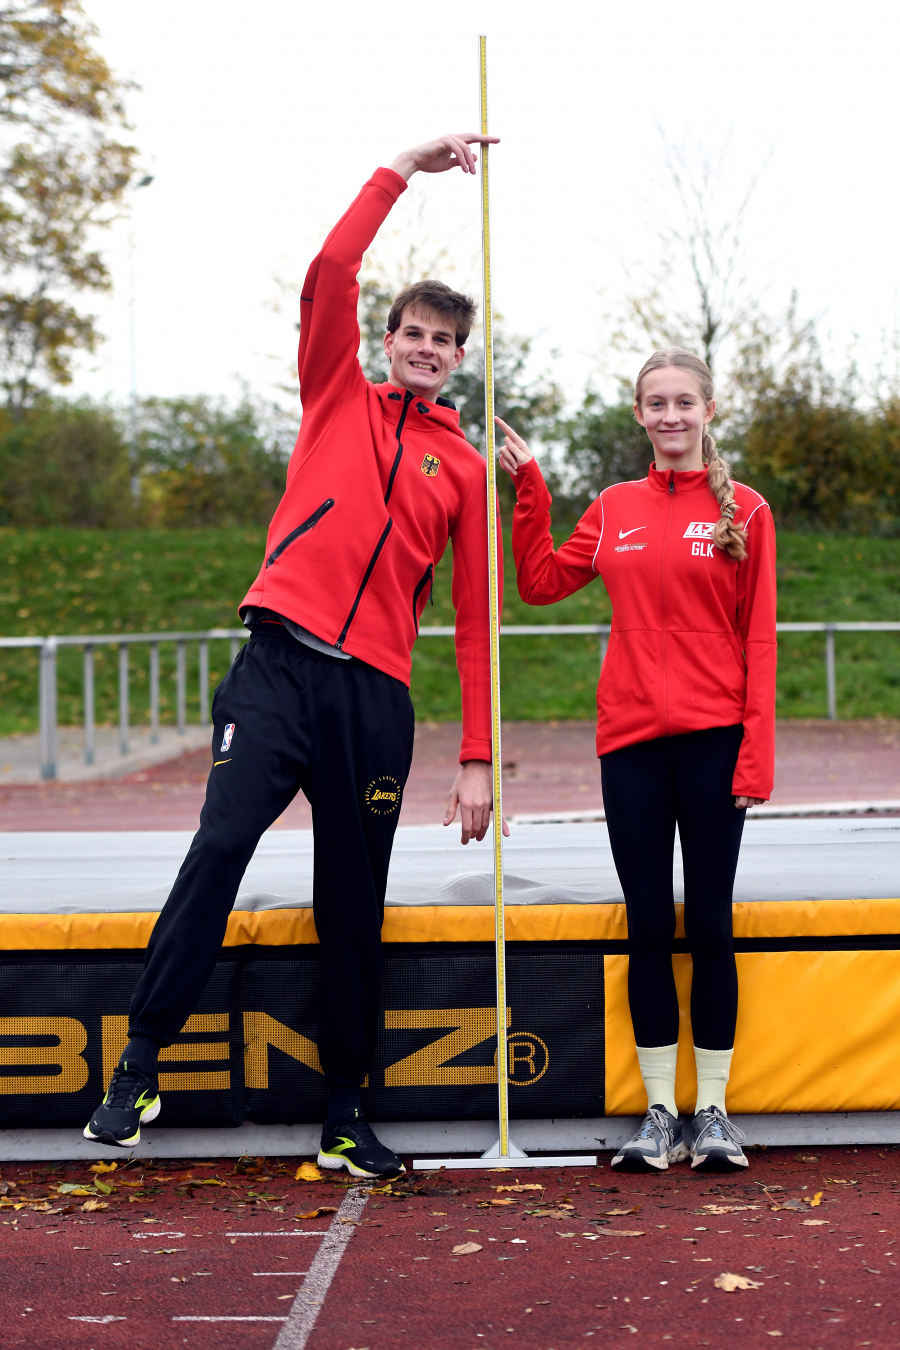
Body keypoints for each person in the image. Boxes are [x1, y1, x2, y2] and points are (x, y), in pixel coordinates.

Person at [84, 132, 505, 1180]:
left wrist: (479, 753)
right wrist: (402, 168)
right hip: (277, 670)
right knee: (218, 847)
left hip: (373, 701)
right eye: (409, 331)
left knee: (350, 905)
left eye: (441, 339)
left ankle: (346, 1112)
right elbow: (330, 272)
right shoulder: (335, 394)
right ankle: (137, 1068)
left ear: (461, 356)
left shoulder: (462, 465)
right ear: (388, 337)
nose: (422, 347)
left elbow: (473, 613)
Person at [499, 348, 776, 1173]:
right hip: (629, 744)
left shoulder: (748, 511)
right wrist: (531, 490)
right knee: (648, 922)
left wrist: (754, 756)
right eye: (655, 403)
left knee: (712, 921)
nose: (669, 416)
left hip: (715, 739)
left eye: (683, 402)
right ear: (638, 414)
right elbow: (541, 584)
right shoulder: (614, 506)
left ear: (709, 411)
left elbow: (759, 638)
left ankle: (715, 1111)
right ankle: (660, 1113)